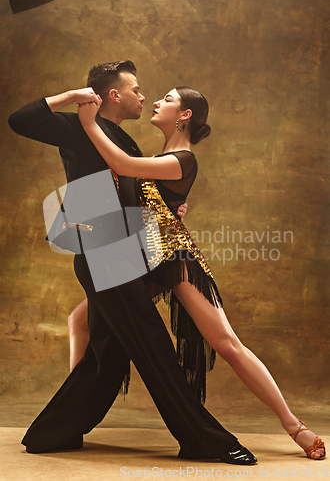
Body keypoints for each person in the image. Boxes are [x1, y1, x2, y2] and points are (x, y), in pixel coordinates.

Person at [8, 61, 257, 464]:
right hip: (102, 251)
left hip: (121, 252)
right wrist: (73, 97)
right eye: (136, 90)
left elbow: (140, 195)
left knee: (108, 354)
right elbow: (20, 120)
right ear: (113, 95)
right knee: (153, 346)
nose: (143, 96)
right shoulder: (77, 126)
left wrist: (174, 208)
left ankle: (53, 432)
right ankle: (204, 439)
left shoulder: (125, 141)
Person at [75, 86, 326, 461]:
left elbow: (123, 166)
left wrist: (88, 124)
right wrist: (173, 206)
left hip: (177, 261)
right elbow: (146, 198)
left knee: (227, 344)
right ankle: (74, 412)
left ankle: (295, 426)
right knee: (80, 320)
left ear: (185, 115)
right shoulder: (164, 157)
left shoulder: (183, 158)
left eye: (168, 99)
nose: (156, 102)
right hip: (144, 261)